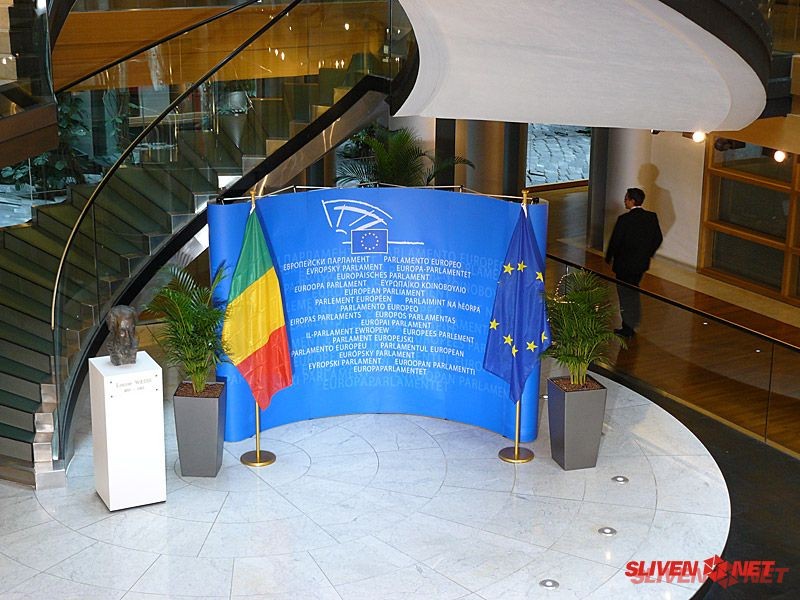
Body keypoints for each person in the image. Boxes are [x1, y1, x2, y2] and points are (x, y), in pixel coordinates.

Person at [605, 187, 663, 338]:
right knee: (633, 291)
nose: (624, 201)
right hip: (640, 264)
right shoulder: (651, 217)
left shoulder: (624, 220)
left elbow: (615, 242)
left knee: (625, 295)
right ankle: (633, 323)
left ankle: (628, 327)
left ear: (632, 201)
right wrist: (647, 254)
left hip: (624, 265)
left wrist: (609, 258)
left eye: (626, 199)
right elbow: (658, 238)